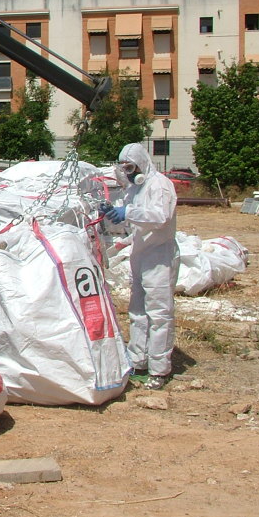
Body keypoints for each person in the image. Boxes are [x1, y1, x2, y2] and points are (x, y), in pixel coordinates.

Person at [104, 143, 179, 390]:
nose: (128, 173)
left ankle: (159, 368)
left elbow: (160, 217)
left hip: (159, 256)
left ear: (142, 163)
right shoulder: (135, 188)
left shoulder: (160, 185)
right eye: (124, 168)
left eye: (131, 168)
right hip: (141, 253)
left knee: (159, 313)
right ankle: (138, 360)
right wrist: (113, 219)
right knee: (137, 311)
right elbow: (133, 224)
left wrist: (128, 212)